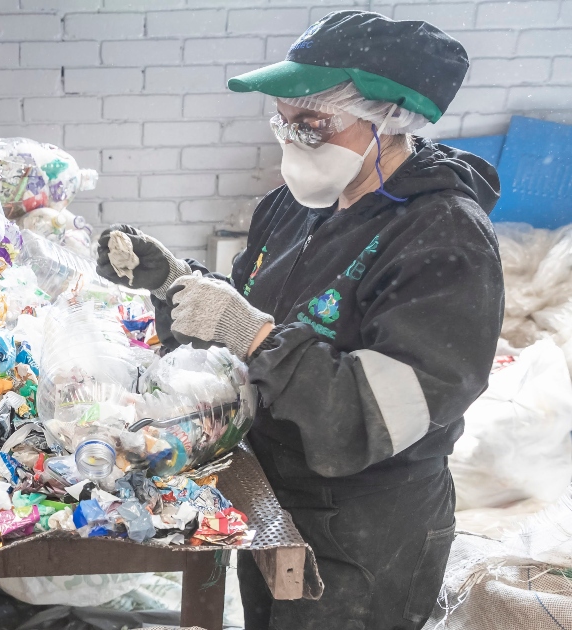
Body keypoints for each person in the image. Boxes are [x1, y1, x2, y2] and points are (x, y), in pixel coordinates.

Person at [95, 12, 503, 630]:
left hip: (364, 536)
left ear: (388, 120)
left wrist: (250, 332)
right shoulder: (292, 207)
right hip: (275, 495)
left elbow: (380, 413)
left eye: (311, 125)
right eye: (283, 123)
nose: (291, 141)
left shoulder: (443, 238)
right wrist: (175, 283)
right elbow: (252, 314)